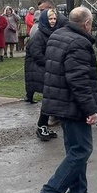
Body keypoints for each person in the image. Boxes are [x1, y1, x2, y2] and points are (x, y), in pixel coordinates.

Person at [36, 7, 97, 193]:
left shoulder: (58, 34)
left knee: (75, 149)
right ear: (87, 23)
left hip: (60, 101)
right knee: (81, 150)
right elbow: (78, 80)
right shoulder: (79, 42)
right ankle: (50, 191)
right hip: (72, 104)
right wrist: (90, 109)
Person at [26, 9, 61, 139]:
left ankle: (46, 124)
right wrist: (51, 63)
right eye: (50, 19)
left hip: (52, 70)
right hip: (43, 71)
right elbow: (36, 54)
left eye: (54, 19)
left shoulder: (55, 32)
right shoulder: (39, 35)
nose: (53, 21)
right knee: (48, 100)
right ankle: (42, 126)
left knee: (53, 99)